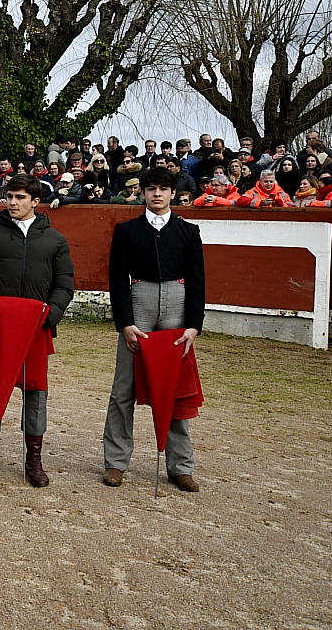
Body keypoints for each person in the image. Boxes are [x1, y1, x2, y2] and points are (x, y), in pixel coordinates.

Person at [0, 173, 74, 488]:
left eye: (20, 198)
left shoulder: (55, 240)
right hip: (1, 326)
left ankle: (34, 460)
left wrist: (50, 314)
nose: (12, 203)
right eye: (9, 197)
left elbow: (64, 283)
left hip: (36, 328)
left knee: (36, 393)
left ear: (35, 202)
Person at [103, 167, 205, 492]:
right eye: (151, 188)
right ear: (143, 193)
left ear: (173, 193)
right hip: (139, 300)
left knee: (174, 387)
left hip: (177, 302)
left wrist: (193, 325)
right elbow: (117, 279)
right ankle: (116, 462)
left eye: (163, 188)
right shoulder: (126, 231)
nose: (157, 194)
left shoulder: (188, 232)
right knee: (124, 388)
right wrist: (125, 322)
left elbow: (198, 282)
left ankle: (180, 466)